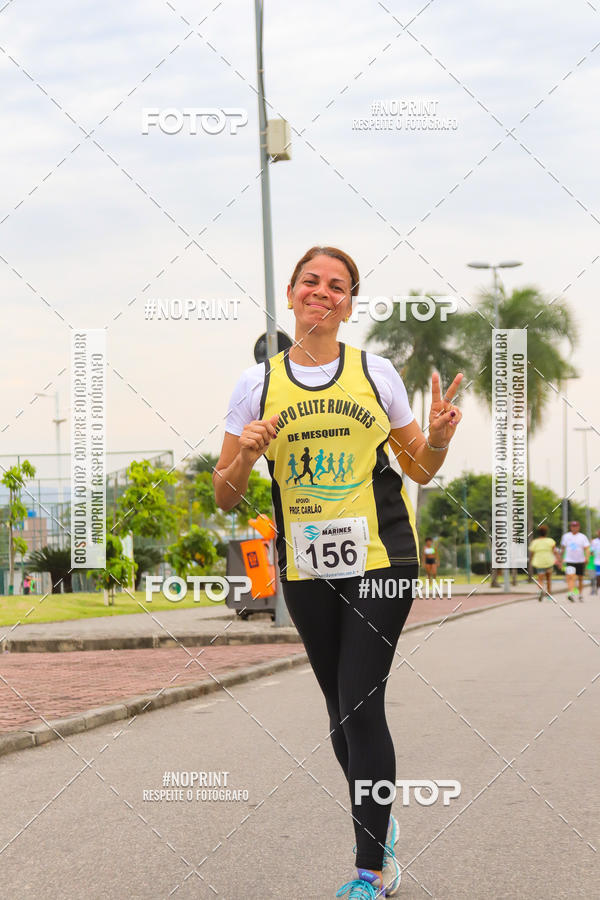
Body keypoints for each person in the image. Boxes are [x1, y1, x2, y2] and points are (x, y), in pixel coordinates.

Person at [213, 246, 463, 898]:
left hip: (383, 559)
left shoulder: (375, 374)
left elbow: (422, 469)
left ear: (349, 304)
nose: (323, 292)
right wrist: (244, 453)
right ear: (292, 293)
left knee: (360, 700)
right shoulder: (255, 386)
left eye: (338, 286)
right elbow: (225, 493)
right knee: (340, 713)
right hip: (306, 568)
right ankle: (378, 820)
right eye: (312, 282)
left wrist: (436, 436)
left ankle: (369, 871)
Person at [558, 520, 590, 602]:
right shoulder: (566, 536)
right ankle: (571, 593)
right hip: (569, 560)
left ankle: (580, 594)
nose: (574, 528)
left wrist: (587, 557)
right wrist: (560, 559)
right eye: (573, 526)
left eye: (576, 526)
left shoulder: (583, 537)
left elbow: (586, 548)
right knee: (570, 577)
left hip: (580, 560)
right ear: (571, 527)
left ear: (578, 527)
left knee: (580, 578)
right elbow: (562, 548)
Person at [528, 525, 557, 600]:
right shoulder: (550, 541)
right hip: (548, 562)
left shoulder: (535, 542)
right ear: (546, 532)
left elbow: (532, 553)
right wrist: (558, 560)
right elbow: (554, 551)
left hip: (539, 562)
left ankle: (540, 590)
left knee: (540, 579)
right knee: (548, 579)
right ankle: (549, 595)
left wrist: (530, 561)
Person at [589, 528, 600, 596]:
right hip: (597, 562)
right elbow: (591, 551)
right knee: (597, 576)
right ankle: (596, 588)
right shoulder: (594, 541)